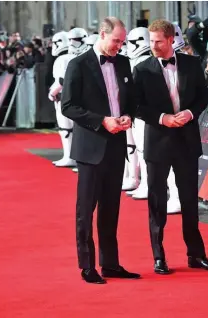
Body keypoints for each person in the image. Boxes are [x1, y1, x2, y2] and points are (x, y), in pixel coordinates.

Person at [133, 19, 208, 275]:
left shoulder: (192, 65)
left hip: (186, 140)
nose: (153, 46)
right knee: (157, 202)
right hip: (158, 142)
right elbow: (136, 106)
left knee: (190, 201)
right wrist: (163, 118)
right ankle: (159, 257)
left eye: (158, 41)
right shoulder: (142, 69)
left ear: (171, 40)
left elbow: (203, 97)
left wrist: (191, 114)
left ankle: (196, 254)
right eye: (151, 41)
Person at [61, 17, 140, 284]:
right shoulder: (78, 65)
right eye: (116, 40)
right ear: (102, 35)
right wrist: (101, 121)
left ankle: (110, 264)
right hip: (91, 147)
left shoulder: (124, 62)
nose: (120, 45)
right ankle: (87, 265)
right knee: (86, 209)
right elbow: (68, 106)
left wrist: (128, 115)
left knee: (111, 207)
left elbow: (129, 100)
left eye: (123, 41)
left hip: (117, 145)